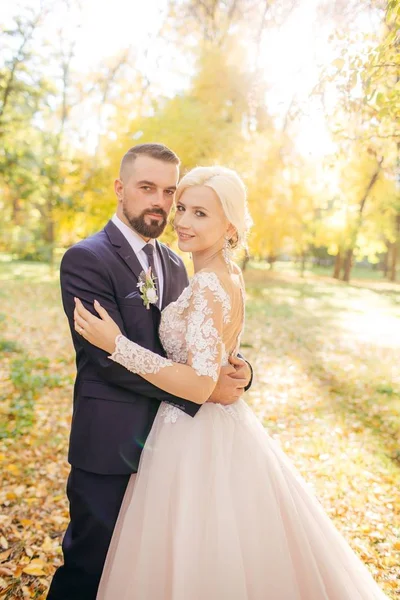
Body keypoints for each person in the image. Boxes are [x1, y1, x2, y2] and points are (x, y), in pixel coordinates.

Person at [75, 165, 389, 599]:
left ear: (230, 225)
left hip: (193, 435)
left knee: (196, 549)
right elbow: (212, 354)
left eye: (200, 213)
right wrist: (234, 368)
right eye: (181, 208)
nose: (182, 221)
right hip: (193, 427)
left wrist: (118, 344)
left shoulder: (207, 282)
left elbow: (203, 383)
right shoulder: (218, 274)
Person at [47, 144, 253, 600]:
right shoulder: (86, 259)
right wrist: (203, 390)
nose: (161, 202)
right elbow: (107, 361)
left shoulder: (178, 261)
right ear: (121, 189)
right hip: (112, 444)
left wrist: (236, 372)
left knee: (150, 576)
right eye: (147, 188)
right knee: (90, 567)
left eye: (169, 191)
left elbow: (198, 343)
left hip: (175, 449)